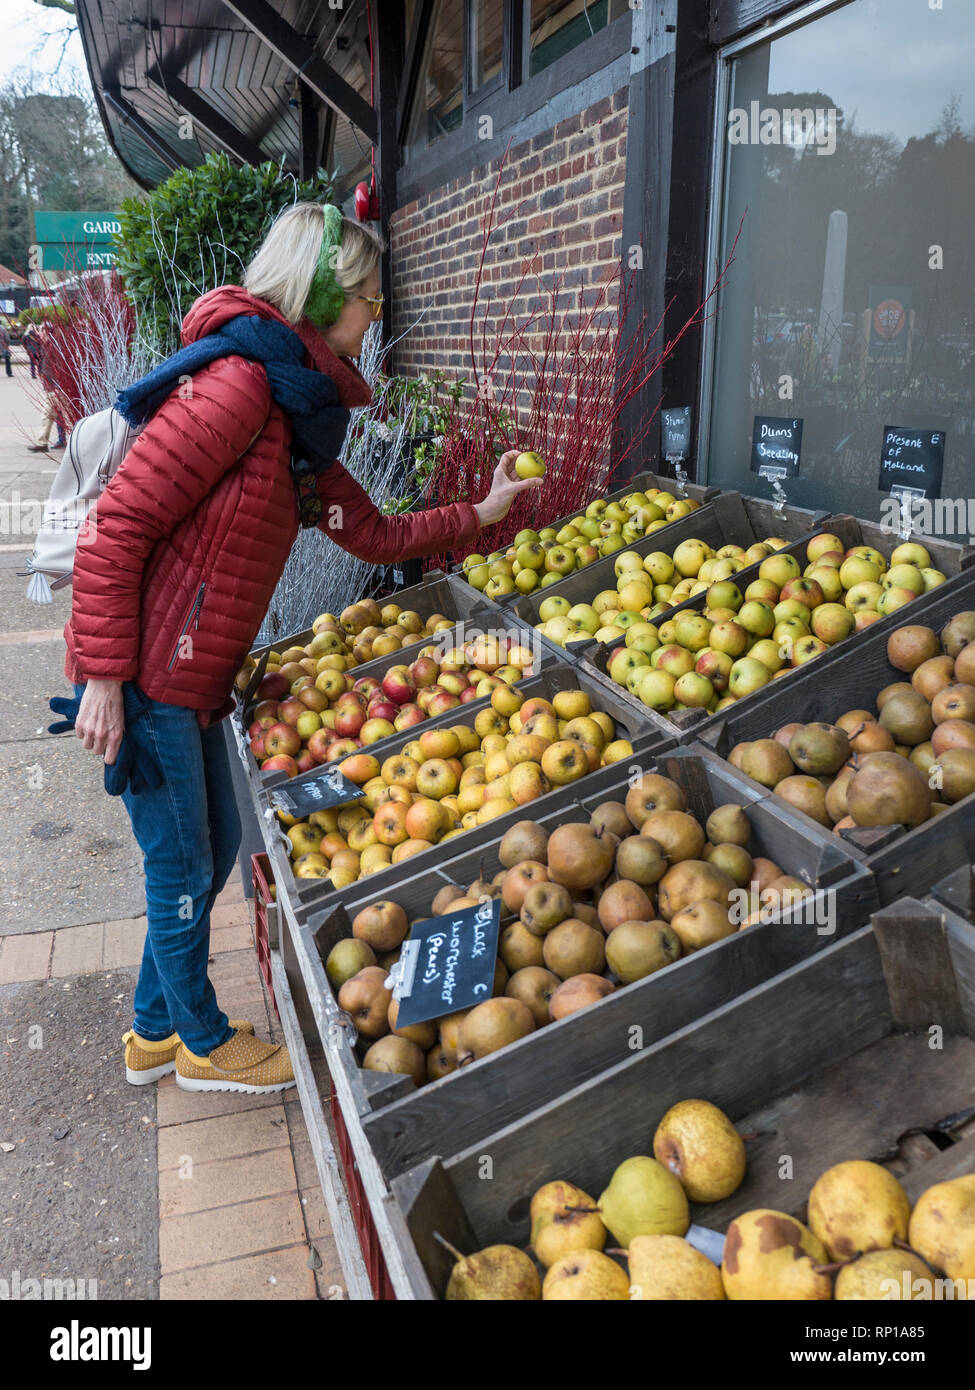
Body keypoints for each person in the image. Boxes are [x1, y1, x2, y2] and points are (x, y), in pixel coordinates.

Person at [63, 203, 541, 1097]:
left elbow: (366, 530)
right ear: (324, 298)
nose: (376, 319)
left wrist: (479, 515)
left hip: (195, 673)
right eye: (366, 299)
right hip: (154, 671)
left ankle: (153, 1030)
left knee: (198, 857)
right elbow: (116, 525)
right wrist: (101, 675)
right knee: (184, 863)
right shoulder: (241, 386)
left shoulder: (294, 409)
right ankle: (202, 1043)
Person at [28, 321, 66, 451]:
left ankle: (43, 443)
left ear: (48, 332)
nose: (40, 333)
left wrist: (57, 386)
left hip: (56, 387)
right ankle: (53, 441)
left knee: (51, 415)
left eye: (42, 331)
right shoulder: (47, 345)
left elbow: (59, 367)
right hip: (52, 386)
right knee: (55, 415)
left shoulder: (54, 346)